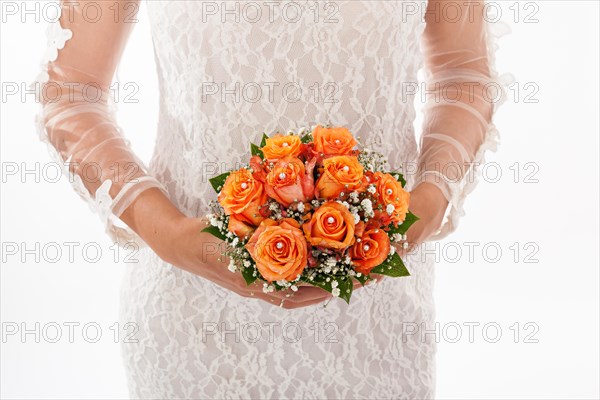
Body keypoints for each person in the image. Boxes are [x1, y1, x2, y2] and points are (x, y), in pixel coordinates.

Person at [34, 0, 507, 397]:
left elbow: (463, 72)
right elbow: (74, 91)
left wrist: (427, 201)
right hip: (192, 316)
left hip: (377, 312)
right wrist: (168, 234)